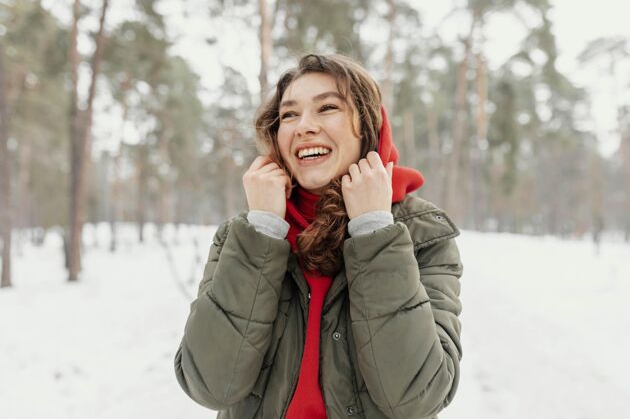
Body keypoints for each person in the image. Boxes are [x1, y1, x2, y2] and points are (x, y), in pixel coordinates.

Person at [174, 53, 464, 419]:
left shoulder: (423, 234)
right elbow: (211, 385)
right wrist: (263, 229)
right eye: (289, 114)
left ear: (370, 127)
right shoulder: (245, 234)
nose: (303, 127)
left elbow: (416, 397)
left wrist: (375, 230)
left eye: (327, 108)